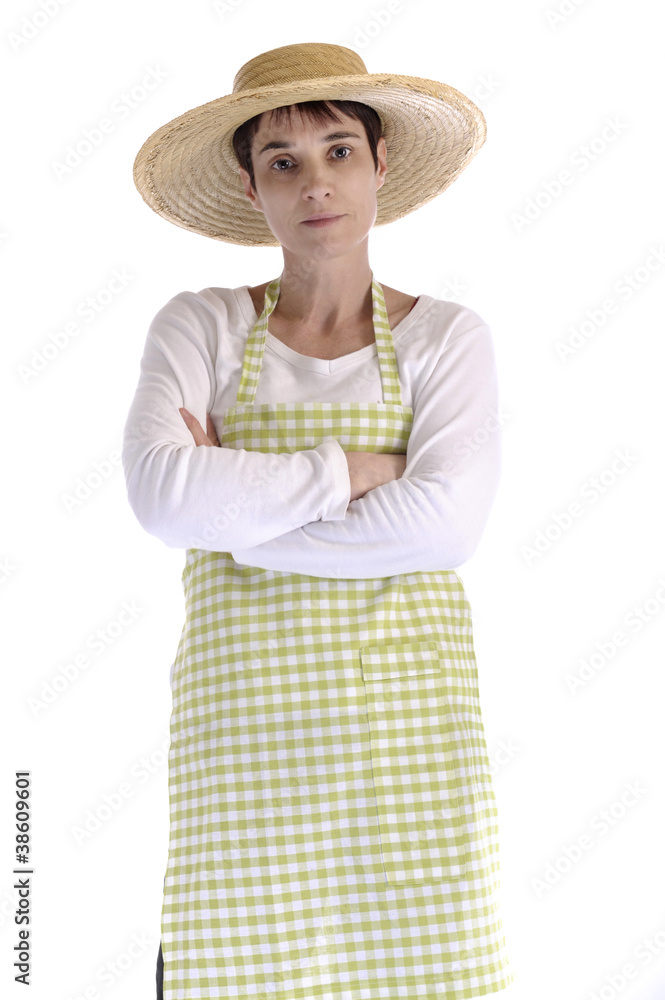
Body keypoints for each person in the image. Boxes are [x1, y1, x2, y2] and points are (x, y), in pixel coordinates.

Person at [124, 41, 516, 1000]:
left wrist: (236, 510)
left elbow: (446, 529)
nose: (316, 184)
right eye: (283, 161)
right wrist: (362, 472)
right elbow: (162, 498)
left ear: (381, 164)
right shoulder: (202, 327)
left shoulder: (443, 336)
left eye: (339, 150)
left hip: (405, 753)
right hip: (245, 751)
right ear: (250, 185)